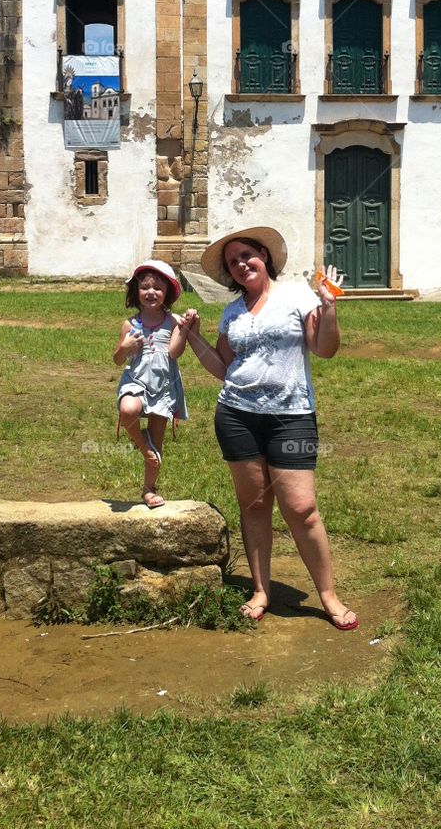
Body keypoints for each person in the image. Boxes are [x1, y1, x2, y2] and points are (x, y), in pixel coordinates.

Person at [180, 227, 357, 631]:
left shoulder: (298, 295)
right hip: (237, 415)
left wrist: (329, 307)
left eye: (246, 256)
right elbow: (224, 368)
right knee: (255, 505)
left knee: (302, 509)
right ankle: (261, 591)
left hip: (291, 416)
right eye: (232, 263)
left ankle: (328, 596)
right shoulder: (233, 312)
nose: (241, 265)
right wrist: (193, 338)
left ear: (264, 255)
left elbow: (324, 349)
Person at [114, 260, 189, 509]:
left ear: (167, 292)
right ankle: (142, 444)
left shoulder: (173, 322)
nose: (151, 292)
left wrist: (185, 329)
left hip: (164, 386)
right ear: (136, 291)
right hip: (135, 382)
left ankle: (149, 488)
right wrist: (124, 348)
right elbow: (117, 359)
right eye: (145, 287)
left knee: (158, 444)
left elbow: (175, 353)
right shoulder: (130, 325)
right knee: (128, 410)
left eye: (158, 288)